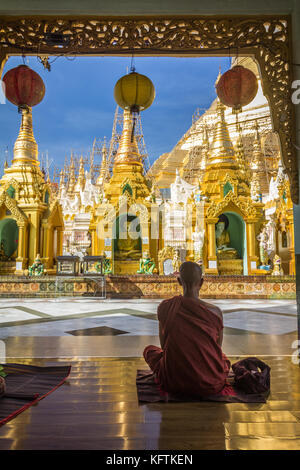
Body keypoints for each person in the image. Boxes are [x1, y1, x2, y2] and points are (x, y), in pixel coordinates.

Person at [143, 261, 231, 397]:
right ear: (201, 282)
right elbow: (217, 348)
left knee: (150, 351)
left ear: (179, 281)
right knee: (223, 359)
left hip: (174, 382)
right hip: (211, 384)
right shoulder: (216, 312)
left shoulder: (165, 307)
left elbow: (164, 346)